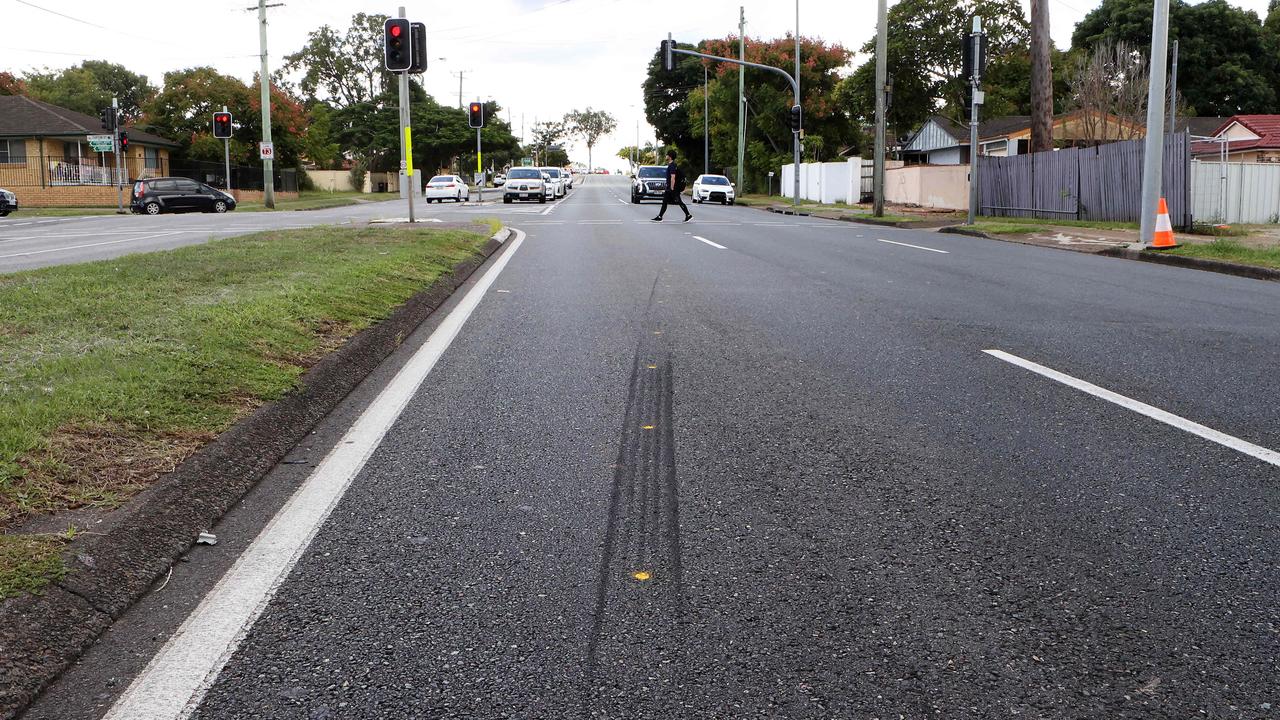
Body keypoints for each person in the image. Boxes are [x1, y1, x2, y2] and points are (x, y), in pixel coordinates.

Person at [652, 151, 691, 223]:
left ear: (670, 157)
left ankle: (688, 215)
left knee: (679, 201)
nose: (666, 156)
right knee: (665, 202)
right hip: (670, 188)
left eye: (667, 155)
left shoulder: (672, 165)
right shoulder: (671, 165)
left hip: (672, 188)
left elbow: (673, 177)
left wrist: (672, 188)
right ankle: (660, 216)